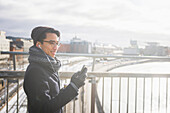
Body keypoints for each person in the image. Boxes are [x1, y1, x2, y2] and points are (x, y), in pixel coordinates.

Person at [23, 26, 87, 113]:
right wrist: (73, 87)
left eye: (57, 43)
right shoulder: (36, 72)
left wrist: (72, 85)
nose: (56, 47)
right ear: (39, 45)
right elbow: (44, 108)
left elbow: (52, 96)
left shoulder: (48, 66)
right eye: (51, 43)